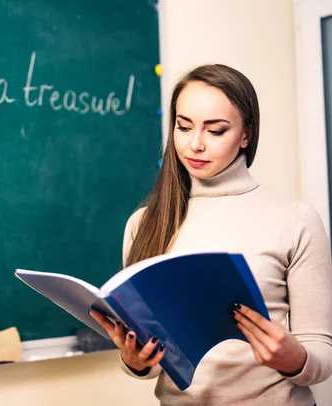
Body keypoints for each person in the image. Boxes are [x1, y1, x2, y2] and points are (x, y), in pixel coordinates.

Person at [90, 64, 332, 405]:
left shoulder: (295, 220)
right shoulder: (145, 223)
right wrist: (135, 362)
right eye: (183, 126)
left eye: (215, 131)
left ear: (246, 135)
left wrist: (296, 359)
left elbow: (321, 351)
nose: (195, 144)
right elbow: (157, 360)